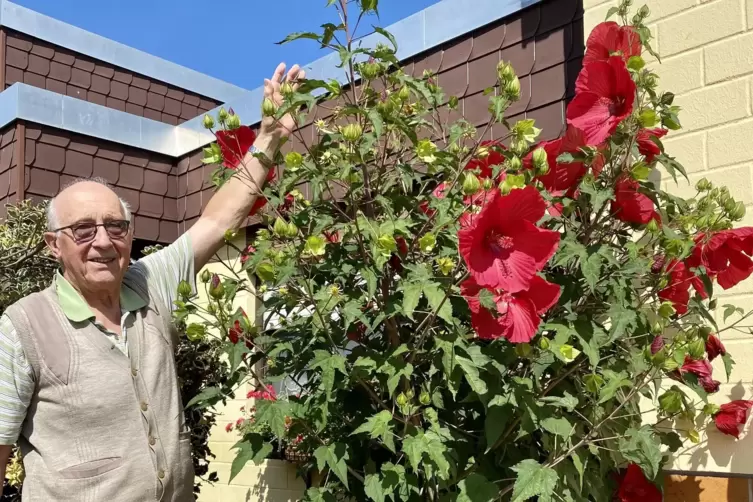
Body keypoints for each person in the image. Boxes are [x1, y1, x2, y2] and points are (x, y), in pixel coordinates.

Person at [0, 62, 304, 501]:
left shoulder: (148, 283)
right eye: (83, 230)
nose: (102, 240)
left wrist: (270, 138)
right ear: (53, 245)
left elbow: (219, 219)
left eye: (116, 226)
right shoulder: (23, 326)